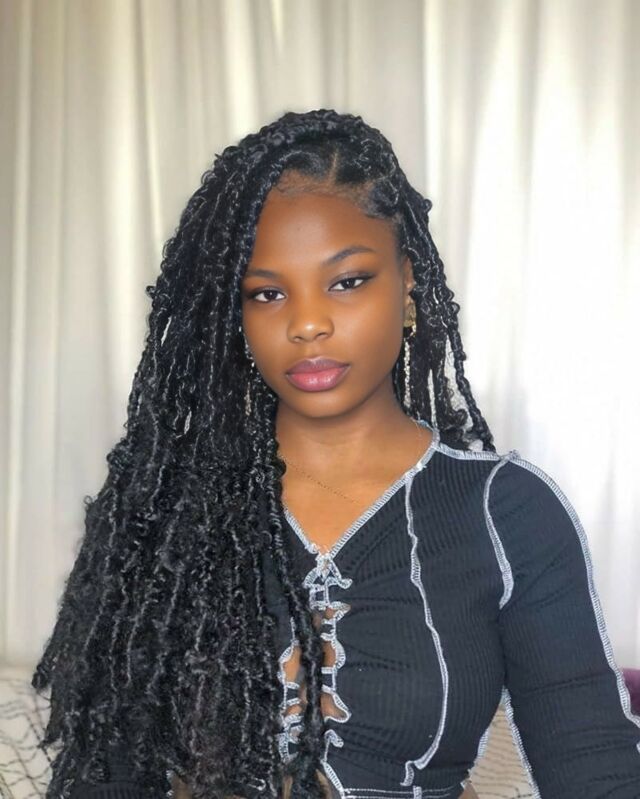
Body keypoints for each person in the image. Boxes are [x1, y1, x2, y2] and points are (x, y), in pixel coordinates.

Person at [32, 109, 640, 799]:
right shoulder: (168, 513)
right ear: (236, 317)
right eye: (267, 293)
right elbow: (105, 773)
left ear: (407, 281)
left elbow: (594, 762)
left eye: (347, 281)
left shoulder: (507, 511)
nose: (307, 323)